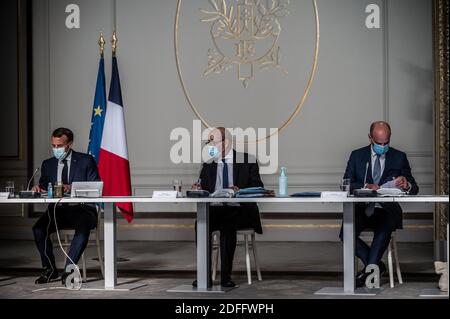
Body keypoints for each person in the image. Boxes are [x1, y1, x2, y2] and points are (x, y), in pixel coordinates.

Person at [341, 121, 419, 287]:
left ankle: (369, 273)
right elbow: (347, 184)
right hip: (363, 208)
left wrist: (406, 184)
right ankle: (376, 266)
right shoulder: (357, 156)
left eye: (386, 143)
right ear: (370, 138)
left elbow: (414, 187)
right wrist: (365, 186)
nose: (383, 146)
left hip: (387, 210)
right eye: (379, 143)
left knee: (384, 229)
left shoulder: (399, 156)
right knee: (345, 233)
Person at [192, 127, 264, 288]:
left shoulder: (247, 161)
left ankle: (225, 276)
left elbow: (258, 187)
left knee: (228, 223)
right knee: (201, 224)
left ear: (225, 143)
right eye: (208, 142)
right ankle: (204, 276)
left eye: (212, 142)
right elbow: (204, 188)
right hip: (215, 209)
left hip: (239, 210)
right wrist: (198, 188)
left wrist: (240, 190)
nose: (209, 146)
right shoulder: (208, 165)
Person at [31, 128, 101, 285]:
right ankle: (50, 270)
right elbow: (43, 186)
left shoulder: (85, 160)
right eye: (53, 146)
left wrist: (72, 187)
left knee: (82, 229)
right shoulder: (47, 164)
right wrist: (38, 188)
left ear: (69, 144)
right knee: (38, 229)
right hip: (57, 211)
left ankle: (68, 271)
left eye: (59, 145)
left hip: (82, 209)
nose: (56, 149)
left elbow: (95, 187)